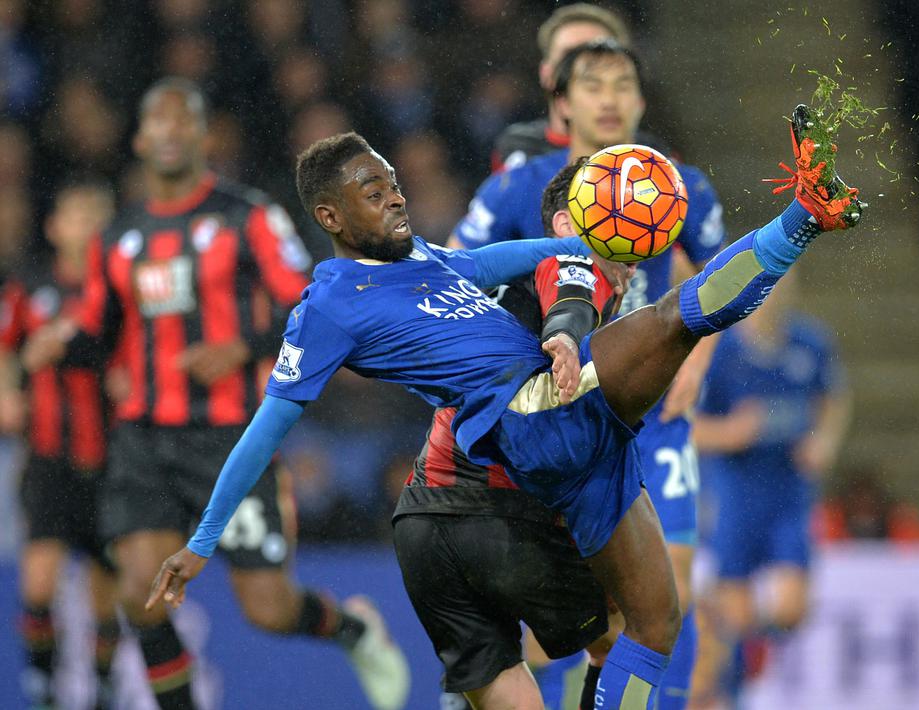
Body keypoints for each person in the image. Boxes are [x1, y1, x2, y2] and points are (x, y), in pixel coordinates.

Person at [142, 99, 862, 710]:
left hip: (567, 450)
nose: (393, 196)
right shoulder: (328, 302)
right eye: (371, 189)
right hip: (531, 415)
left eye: (392, 183)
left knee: (653, 626)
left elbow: (505, 261)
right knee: (677, 317)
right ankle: (805, 213)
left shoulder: (426, 259)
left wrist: (580, 242)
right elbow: (266, 428)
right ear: (329, 213)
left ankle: (807, 211)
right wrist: (204, 540)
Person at [21, 78, 409, 710]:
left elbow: (306, 297)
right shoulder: (119, 236)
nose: (172, 131)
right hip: (144, 440)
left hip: (232, 439)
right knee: (139, 592)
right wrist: (58, 347)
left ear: (203, 136)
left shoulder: (246, 216)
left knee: (269, 609)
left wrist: (243, 347)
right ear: (142, 138)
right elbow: (98, 330)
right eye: (159, 121)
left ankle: (353, 629)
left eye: (186, 121)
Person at [453, 40, 726, 707]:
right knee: (570, 616)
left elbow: (721, 278)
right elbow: (458, 270)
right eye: (593, 85)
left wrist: (698, 361)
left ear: (639, 100)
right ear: (563, 103)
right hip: (561, 414)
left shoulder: (677, 183)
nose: (608, 98)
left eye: (622, 85)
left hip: (651, 412)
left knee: (669, 592)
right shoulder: (523, 185)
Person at [397, 156, 630, 709]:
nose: (624, 211)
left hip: (423, 516)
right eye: (605, 200)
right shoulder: (567, 260)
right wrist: (567, 338)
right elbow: (570, 297)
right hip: (498, 512)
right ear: (567, 226)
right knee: (625, 633)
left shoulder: (498, 275)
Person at [690, 278, 850, 703]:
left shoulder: (810, 342)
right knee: (735, 620)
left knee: (792, 608)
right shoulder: (721, 351)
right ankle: (732, 691)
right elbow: (686, 429)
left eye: (785, 283)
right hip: (735, 492)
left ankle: (738, 640)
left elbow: (833, 400)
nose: (776, 294)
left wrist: (824, 442)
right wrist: (732, 432)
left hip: (788, 491)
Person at [0, 180, 121, 710]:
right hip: (49, 455)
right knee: (38, 583)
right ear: (54, 228)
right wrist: (6, 392)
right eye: (78, 217)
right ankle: (44, 686)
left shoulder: (120, 293)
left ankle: (102, 687)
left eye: (98, 218)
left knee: (104, 589)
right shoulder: (31, 286)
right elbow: (5, 350)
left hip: (113, 457)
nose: (88, 229)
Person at [490, 3, 662, 172]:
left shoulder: (656, 158)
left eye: (599, 53)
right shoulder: (520, 153)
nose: (584, 64)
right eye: (570, 56)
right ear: (546, 73)